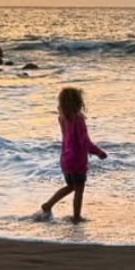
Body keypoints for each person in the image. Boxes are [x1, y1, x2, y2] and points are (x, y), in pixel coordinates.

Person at [39, 87, 107, 223]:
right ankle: (76, 217)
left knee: (71, 186)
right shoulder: (78, 120)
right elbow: (85, 142)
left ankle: (48, 204)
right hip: (77, 159)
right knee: (79, 190)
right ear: (78, 102)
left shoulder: (62, 118)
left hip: (65, 158)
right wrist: (98, 152)